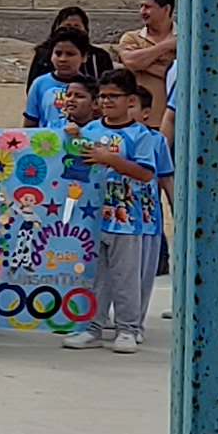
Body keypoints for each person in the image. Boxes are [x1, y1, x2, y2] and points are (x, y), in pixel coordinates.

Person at [77, 69, 171, 354]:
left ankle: (128, 328)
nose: (106, 102)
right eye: (102, 96)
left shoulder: (142, 136)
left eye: (113, 97)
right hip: (94, 217)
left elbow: (145, 173)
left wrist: (111, 159)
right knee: (95, 277)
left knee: (126, 278)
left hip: (128, 219)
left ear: (130, 100)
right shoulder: (90, 131)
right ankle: (92, 327)